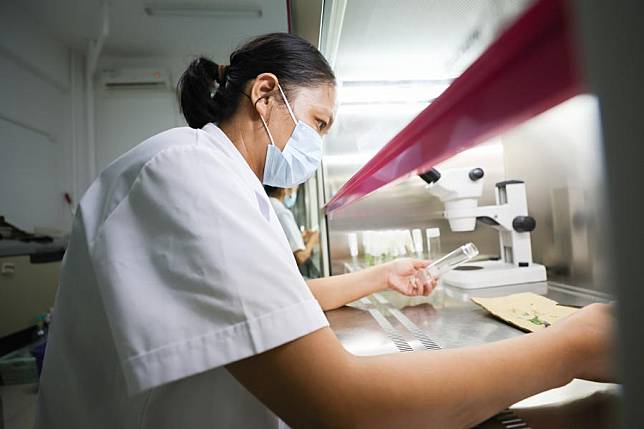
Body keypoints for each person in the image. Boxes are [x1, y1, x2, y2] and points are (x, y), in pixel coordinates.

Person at [34, 32, 614, 429]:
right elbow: (342, 406)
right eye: (318, 123)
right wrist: (573, 346)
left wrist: (382, 274)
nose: (317, 145)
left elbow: (275, 300)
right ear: (265, 94)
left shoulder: (231, 186)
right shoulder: (184, 171)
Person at [264, 185, 319, 269]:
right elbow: (300, 257)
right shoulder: (282, 213)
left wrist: (300, 238)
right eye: (294, 188)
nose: (295, 191)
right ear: (284, 189)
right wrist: (313, 239)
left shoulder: (268, 204)